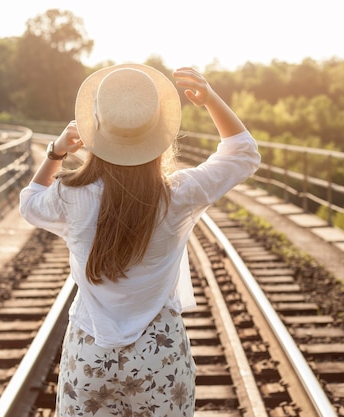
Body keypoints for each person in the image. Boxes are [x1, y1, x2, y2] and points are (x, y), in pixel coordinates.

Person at [19, 64, 260, 416]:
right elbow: (243, 152)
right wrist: (210, 99)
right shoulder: (178, 194)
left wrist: (56, 153)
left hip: (90, 352)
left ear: (94, 130)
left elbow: (29, 202)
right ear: (160, 131)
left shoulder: (71, 195)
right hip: (159, 353)